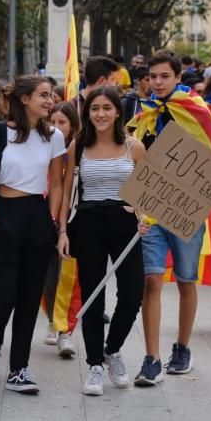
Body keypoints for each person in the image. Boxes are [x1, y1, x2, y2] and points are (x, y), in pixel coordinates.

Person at [129, 50, 211, 384]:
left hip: (185, 204)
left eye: (165, 76)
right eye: (153, 77)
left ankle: (182, 347)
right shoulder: (144, 113)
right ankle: (150, 358)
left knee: (184, 278)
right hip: (149, 207)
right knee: (151, 279)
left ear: (178, 77)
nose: (158, 82)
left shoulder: (197, 111)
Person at [0, 75, 64, 394]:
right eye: (43, 95)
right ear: (24, 99)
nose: (50, 100)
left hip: (38, 217)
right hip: (3, 215)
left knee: (29, 296)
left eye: (51, 95)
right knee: (2, 294)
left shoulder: (54, 137)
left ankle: (19, 368)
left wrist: (52, 219)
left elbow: (57, 181)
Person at [58, 86, 147, 395]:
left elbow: (147, 193)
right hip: (89, 222)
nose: (100, 114)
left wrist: (144, 216)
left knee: (134, 292)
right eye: (95, 108)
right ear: (87, 112)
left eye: (107, 108)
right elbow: (67, 191)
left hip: (125, 223)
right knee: (93, 295)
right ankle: (95, 363)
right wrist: (62, 232)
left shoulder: (134, 147)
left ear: (118, 111)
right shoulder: (78, 146)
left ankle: (113, 349)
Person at [43, 101, 80, 358]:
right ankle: (51, 320)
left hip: (74, 219)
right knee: (48, 273)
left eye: (62, 123)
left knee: (70, 274)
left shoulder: (80, 150)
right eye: (52, 122)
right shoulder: (38, 148)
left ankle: (65, 330)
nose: (56, 128)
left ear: (72, 126)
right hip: (44, 218)